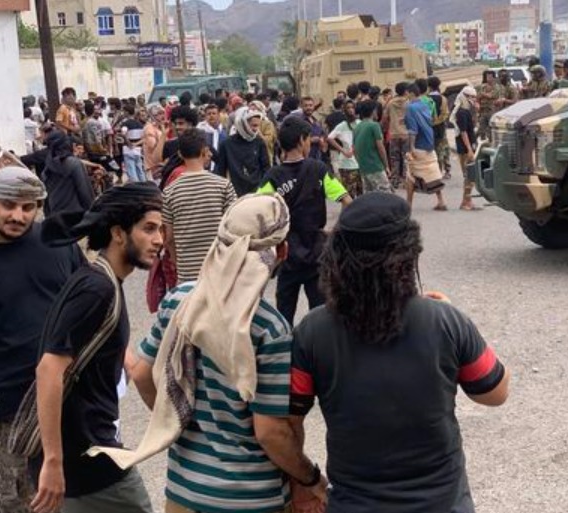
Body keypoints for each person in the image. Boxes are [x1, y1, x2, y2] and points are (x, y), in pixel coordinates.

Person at [290, 192, 510, 513]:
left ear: (337, 258)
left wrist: (305, 481)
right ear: (409, 256)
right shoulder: (445, 321)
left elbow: (287, 420)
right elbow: (495, 393)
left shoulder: (311, 332)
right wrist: (459, 323)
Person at [109, 193, 329, 513]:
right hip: (252, 499)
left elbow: (142, 374)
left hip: (185, 492)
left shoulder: (180, 300)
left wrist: (177, 419)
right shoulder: (269, 328)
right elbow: (270, 432)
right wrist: (309, 478)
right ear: (281, 251)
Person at [29, 183, 163, 513]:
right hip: (87, 459)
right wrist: (53, 461)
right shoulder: (96, 289)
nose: (160, 239)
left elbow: (120, 355)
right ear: (119, 233)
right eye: (149, 229)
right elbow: (48, 369)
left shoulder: (103, 282)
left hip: (89, 452)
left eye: (161, 229)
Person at [0, 167, 84, 513]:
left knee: (67, 493)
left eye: (28, 207)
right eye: (7, 205)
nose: (18, 215)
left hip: (66, 397)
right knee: (15, 501)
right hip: (7, 410)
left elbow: (86, 299)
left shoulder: (56, 240)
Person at [258, 116, 351, 325]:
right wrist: (336, 231)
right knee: (321, 314)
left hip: (286, 254)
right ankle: (317, 352)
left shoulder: (272, 176)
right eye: (309, 139)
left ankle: (286, 352)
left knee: (283, 315)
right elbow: (347, 201)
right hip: (317, 252)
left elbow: (257, 212)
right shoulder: (318, 169)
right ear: (302, 140)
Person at [163, 128, 236, 284]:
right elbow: (234, 229)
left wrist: (177, 262)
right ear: (205, 151)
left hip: (187, 275)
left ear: (181, 154)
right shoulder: (224, 186)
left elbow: (168, 238)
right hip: (220, 271)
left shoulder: (170, 191)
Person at [404, 83, 447, 211]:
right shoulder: (425, 104)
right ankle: (441, 201)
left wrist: (411, 147)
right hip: (429, 142)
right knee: (432, 174)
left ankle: (408, 205)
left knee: (411, 175)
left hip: (418, 144)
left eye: (407, 93)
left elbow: (413, 130)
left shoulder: (410, 108)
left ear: (411, 93)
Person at [215, 107, 269, 196]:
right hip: (235, 195)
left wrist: (263, 193)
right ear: (243, 124)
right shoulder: (226, 144)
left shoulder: (259, 142)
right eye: (253, 125)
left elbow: (266, 170)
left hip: (257, 194)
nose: (256, 129)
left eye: (258, 125)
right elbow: (221, 172)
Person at [42, 132, 95, 216]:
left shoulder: (47, 168)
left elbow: (46, 200)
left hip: (55, 218)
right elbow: (85, 192)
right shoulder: (73, 163)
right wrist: (92, 214)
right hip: (75, 217)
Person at [451, 86, 481, 211]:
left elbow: (472, 127)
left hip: (469, 146)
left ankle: (467, 201)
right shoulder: (461, 112)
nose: (473, 99)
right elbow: (463, 132)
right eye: (471, 97)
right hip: (464, 148)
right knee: (469, 176)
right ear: (465, 97)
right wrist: (469, 149)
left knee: (471, 176)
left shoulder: (466, 111)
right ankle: (465, 202)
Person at [353, 100, 392, 193]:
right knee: (385, 195)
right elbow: (381, 147)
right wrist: (386, 166)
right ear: (373, 111)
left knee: (369, 196)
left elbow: (354, 149)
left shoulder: (357, 127)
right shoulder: (374, 125)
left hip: (364, 168)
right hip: (375, 166)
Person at [327, 100, 362, 198]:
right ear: (344, 110)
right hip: (347, 164)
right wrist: (342, 150)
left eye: (352, 107)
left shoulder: (360, 123)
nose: (351, 110)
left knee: (362, 193)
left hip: (360, 162)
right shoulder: (342, 125)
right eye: (348, 108)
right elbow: (330, 138)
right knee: (349, 194)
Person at [383, 82, 410, 188]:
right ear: (405, 91)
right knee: (406, 157)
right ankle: (405, 180)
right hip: (406, 134)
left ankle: (394, 179)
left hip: (393, 134)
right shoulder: (408, 102)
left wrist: (387, 127)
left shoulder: (390, 103)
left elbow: (385, 118)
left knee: (394, 158)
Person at [427, 76, 452, 179]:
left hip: (429, 127)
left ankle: (437, 171)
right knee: (444, 148)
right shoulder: (443, 98)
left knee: (434, 149)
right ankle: (447, 170)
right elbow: (445, 114)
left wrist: (431, 122)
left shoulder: (426, 99)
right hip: (441, 127)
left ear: (429, 86)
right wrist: (437, 121)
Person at [289, 97, 327, 161]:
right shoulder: (298, 122)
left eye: (310, 105)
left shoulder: (316, 122)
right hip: (304, 159)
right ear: (301, 107)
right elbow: (293, 140)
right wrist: (310, 140)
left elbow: (323, 135)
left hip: (318, 158)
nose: (308, 108)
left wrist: (322, 141)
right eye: (306, 106)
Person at [197, 102, 227, 172]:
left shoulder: (224, 132)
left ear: (218, 115)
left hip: (221, 169)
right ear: (205, 116)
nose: (211, 116)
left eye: (214, 113)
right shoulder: (200, 131)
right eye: (209, 114)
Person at [120, 105, 147, 183]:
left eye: (124, 111)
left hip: (128, 150)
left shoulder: (125, 123)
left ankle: (136, 188)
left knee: (131, 171)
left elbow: (123, 134)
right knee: (140, 170)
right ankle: (144, 186)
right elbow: (144, 138)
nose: (123, 113)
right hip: (138, 150)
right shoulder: (140, 124)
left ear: (127, 112)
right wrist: (136, 144)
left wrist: (129, 143)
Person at [142, 103, 167, 179]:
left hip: (162, 165)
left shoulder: (161, 127)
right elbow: (152, 146)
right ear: (153, 116)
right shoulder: (149, 128)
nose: (162, 116)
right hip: (153, 167)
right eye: (159, 114)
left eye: (163, 113)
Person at [476, 70, 500, 141]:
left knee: (490, 130)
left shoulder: (496, 87)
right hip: (483, 111)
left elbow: (491, 96)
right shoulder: (483, 86)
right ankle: (480, 143)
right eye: (487, 77)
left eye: (490, 77)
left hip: (491, 111)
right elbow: (478, 96)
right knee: (481, 129)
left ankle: (492, 143)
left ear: (493, 78)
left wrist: (483, 94)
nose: (488, 79)